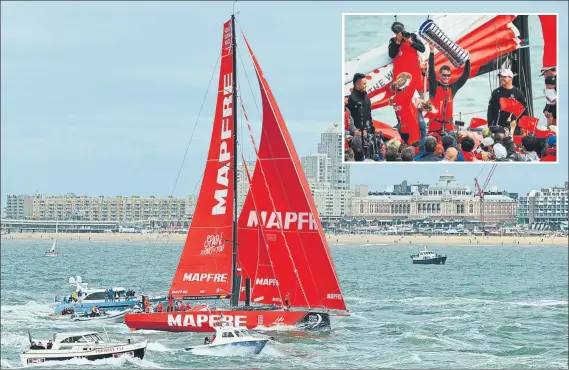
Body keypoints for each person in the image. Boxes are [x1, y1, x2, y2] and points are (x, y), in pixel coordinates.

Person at [426, 41, 471, 137]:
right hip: (434, 128)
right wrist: (432, 52)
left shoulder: (452, 87)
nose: (446, 77)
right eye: (444, 75)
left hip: (448, 128)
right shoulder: (434, 85)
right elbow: (431, 70)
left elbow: (465, 75)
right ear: (440, 75)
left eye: (448, 75)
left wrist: (467, 60)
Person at [388, 21, 426, 95]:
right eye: (399, 33)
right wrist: (398, 42)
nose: (402, 34)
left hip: (415, 76)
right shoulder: (393, 40)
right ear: (395, 33)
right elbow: (391, 55)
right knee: (401, 100)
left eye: (403, 31)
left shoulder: (412, 36)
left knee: (419, 101)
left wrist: (411, 42)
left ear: (404, 28)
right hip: (400, 79)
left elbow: (422, 49)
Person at [390, 72, 426, 146]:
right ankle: (423, 140)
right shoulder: (405, 94)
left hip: (413, 111)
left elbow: (417, 99)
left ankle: (423, 137)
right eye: (409, 81)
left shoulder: (396, 96)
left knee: (421, 123)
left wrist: (417, 105)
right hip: (408, 116)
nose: (410, 82)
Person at [487, 69, 528, 133]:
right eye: (500, 76)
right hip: (499, 126)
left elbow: (524, 111)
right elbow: (491, 110)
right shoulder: (496, 92)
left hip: (514, 127)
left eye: (504, 77)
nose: (501, 78)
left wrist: (524, 127)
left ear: (511, 78)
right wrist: (490, 125)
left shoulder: (518, 93)